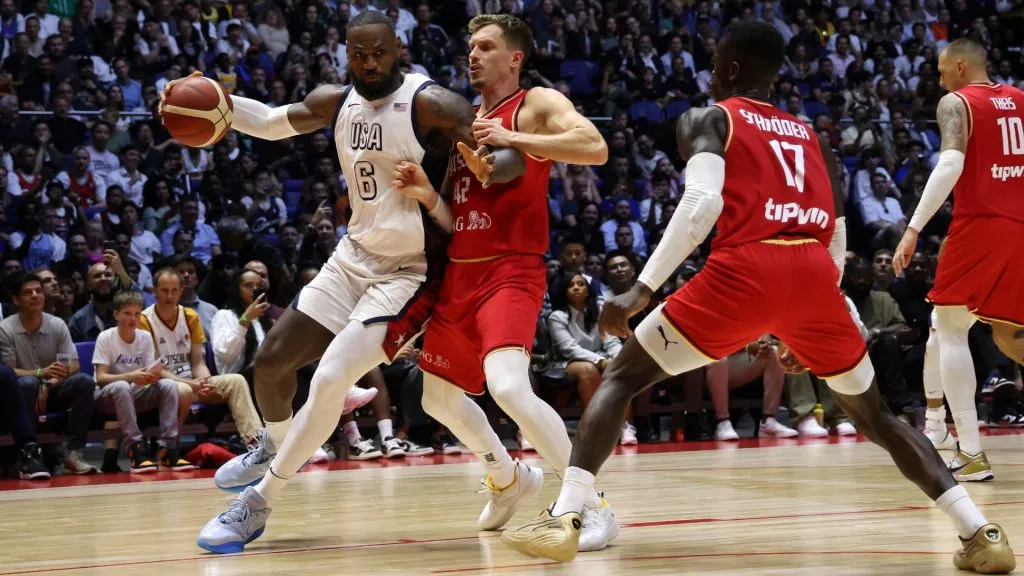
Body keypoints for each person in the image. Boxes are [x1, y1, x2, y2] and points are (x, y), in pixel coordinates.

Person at [500, 22, 1014, 574]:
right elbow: (837, 233)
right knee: (881, 418)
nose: (712, 71)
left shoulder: (711, 117)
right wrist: (806, 320)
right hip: (814, 276)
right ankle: (978, 530)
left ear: (732, 70)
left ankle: (566, 515)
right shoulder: (810, 134)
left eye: (717, 62)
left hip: (745, 267)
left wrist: (639, 290)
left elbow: (700, 205)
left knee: (622, 376)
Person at [193, 11, 525, 553]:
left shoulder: (431, 102)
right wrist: (221, 109)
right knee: (273, 363)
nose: (369, 63)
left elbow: (506, 156)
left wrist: (497, 162)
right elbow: (275, 121)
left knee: (328, 380)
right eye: (358, 54)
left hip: (411, 270)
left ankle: (259, 502)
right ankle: (278, 448)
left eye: (378, 52)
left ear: (398, 48)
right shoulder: (336, 100)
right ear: (346, 52)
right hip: (352, 257)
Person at [394, 14, 617, 552]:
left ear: (514, 57)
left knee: (510, 387)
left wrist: (513, 135)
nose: (473, 55)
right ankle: (508, 476)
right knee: (438, 399)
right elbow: (456, 218)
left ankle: (592, 506)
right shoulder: (464, 119)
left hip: (511, 268)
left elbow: (596, 146)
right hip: (463, 273)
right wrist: (428, 195)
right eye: (470, 47)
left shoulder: (534, 103)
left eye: (486, 47)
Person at [894, 38, 1024, 487]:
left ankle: (969, 451)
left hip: (983, 223)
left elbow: (950, 163)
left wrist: (913, 227)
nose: (939, 79)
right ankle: (936, 426)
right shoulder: (1020, 100)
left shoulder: (957, 102)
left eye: (941, 70)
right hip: (1020, 226)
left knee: (948, 327)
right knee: (1008, 335)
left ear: (961, 67)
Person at [92, 291, 182, 473]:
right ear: (116, 314)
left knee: (169, 385)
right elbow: (100, 378)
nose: (132, 318)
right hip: (107, 397)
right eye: (127, 313)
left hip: (137, 392)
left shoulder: (145, 337)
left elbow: (149, 372)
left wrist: (152, 376)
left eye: (137, 313)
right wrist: (131, 376)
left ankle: (168, 447)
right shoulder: (105, 337)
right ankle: (136, 448)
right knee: (122, 386)